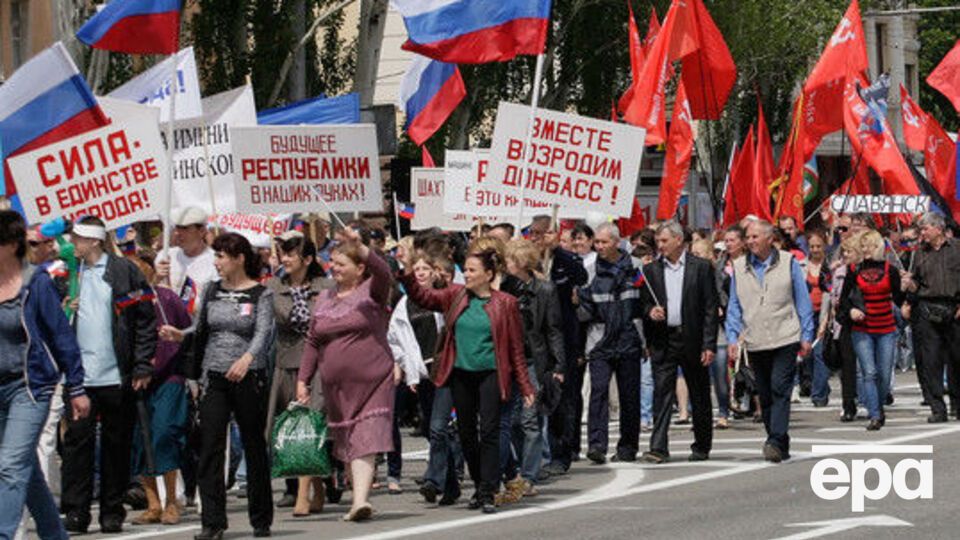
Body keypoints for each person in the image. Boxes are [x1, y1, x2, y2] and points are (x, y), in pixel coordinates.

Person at [399, 247, 534, 514]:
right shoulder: (455, 295)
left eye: (472, 270)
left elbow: (516, 348)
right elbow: (423, 297)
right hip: (460, 373)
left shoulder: (505, 303)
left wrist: (526, 385)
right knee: (466, 434)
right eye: (466, 269)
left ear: (489, 274)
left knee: (491, 432)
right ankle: (481, 482)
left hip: (492, 374)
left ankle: (487, 492)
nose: (467, 275)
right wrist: (407, 273)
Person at [163, 232, 275, 539]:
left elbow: (263, 332)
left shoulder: (260, 294)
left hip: (247, 376)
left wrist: (248, 358)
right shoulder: (212, 290)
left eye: (221, 256)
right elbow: (199, 328)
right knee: (210, 445)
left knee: (253, 444)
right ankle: (212, 522)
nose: (217, 262)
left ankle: (261, 517)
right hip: (213, 375)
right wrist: (180, 334)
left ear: (239, 258)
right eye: (215, 256)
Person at [61, 216, 156, 534]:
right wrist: (65, 309)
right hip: (79, 380)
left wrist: (142, 363)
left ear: (94, 241)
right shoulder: (67, 274)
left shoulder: (122, 271)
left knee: (117, 445)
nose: (72, 244)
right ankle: (76, 509)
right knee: (77, 445)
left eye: (77, 239)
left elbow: (144, 318)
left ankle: (111, 510)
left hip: (116, 375)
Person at [0, 210, 89, 540]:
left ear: (10, 245)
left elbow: (61, 335)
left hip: (30, 387)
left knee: (9, 465)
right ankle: (55, 535)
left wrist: (77, 386)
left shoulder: (36, 282)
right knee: (26, 468)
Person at [297, 228, 395, 522]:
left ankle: (360, 501)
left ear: (359, 268)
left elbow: (384, 272)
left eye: (341, 264)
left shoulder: (372, 292)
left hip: (374, 380)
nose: (334, 268)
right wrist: (304, 379)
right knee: (350, 439)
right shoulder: (324, 298)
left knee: (366, 435)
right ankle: (357, 496)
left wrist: (360, 245)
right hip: (336, 385)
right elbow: (313, 342)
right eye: (332, 263)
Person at [725, 220, 814, 463]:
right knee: (764, 393)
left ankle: (774, 439)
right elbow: (734, 304)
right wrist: (732, 336)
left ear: (769, 238)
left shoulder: (788, 262)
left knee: (779, 387)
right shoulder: (739, 266)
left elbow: (802, 300)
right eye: (748, 237)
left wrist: (807, 335)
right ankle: (779, 440)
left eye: (755, 236)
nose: (751, 241)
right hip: (755, 338)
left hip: (785, 335)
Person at [266, 232, 333, 516]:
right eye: (283, 253)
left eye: (291, 254)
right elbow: (284, 316)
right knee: (291, 427)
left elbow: (327, 322)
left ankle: (302, 496)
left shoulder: (326, 286)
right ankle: (317, 488)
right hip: (287, 362)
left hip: (319, 364)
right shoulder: (274, 286)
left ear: (307, 259)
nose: (285, 259)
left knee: (310, 424)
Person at [639, 222, 719, 463]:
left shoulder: (701, 268)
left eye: (664, 241)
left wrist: (709, 344)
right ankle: (658, 447)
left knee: (699, 392)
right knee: (662, 392)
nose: (659, 246)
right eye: (658, 241)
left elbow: (709, 308)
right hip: (664, 339)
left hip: (692, 338)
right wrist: (650, 311)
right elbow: (642, 303)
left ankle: (702, 445)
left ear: (678, 240)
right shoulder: (651, 270)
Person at [500, 239, 566, 498]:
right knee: (514, 420)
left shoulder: (545, 290)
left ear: (521, 263)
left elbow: (553, 329)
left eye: (510, 261)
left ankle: (529, 475)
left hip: (533, 361)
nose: (506, 266)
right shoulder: (504, 289)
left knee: (529, 419)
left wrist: (559, 364)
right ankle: (517, 471)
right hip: (509, 362)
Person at [130, 260, 191, 527]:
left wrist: (176, 337)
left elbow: (189, 331)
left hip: (170, 377)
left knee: (165, 434)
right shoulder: (122, 304)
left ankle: (171, 502)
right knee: (140, 440)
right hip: (135, 380)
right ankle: (153, 502)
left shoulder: (166, 298)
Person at [578, 223, 643, 464]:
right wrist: (578, 303)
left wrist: (643, 336)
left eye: (604, 242)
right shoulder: (590, 270)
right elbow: (585, 311)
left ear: (617, 242)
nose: (600, 246)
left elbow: (643, 300)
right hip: (600, 342)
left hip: (628, 339)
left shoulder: (635, 268)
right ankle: (597, 445)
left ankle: (628, 447)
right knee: (598, 393)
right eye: (597, 242)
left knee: (629, 397)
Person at [840, 230, 904, 431]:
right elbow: (843, 300)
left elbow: (899, 299)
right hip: (862, 329)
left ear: (878, 247)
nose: (865, 249)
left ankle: (879, 403)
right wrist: (851, 310)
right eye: (863, 245)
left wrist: (907, 287)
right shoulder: (854, 269)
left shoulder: (890, 270)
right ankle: (875, 414)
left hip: (886, 328)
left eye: (869, 245)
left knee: (884, 374)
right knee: (869, 372)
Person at [901, 212, 960, 423]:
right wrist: (909, 290)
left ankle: (957, 405)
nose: (922, 233)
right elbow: (917, 284)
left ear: (938, 228)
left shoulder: (957, 249)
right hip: (927, 310)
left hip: (954, 309)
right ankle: (938, 408)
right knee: (931, 362)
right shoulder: (919, 254)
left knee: (956, 359)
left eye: (925, 229)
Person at [155, 207, 218, 314]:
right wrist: (156, 279)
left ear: (202, 231)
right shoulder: (165, 256)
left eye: (184, 228)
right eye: (177, 228)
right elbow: (151, 294)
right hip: (167, 326)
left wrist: (181, 306)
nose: (177, 233)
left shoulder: (216, 262)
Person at [805, 230, 832, 407]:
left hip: (824, 313)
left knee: (820, 353)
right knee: (807, 355)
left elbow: (830, 292)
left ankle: (819, 395)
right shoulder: (801, 265)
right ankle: (819, 386)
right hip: (806, 314)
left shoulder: (830, 265)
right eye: (812, 246)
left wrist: (826, 319)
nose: (815, 250)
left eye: (818, 246)